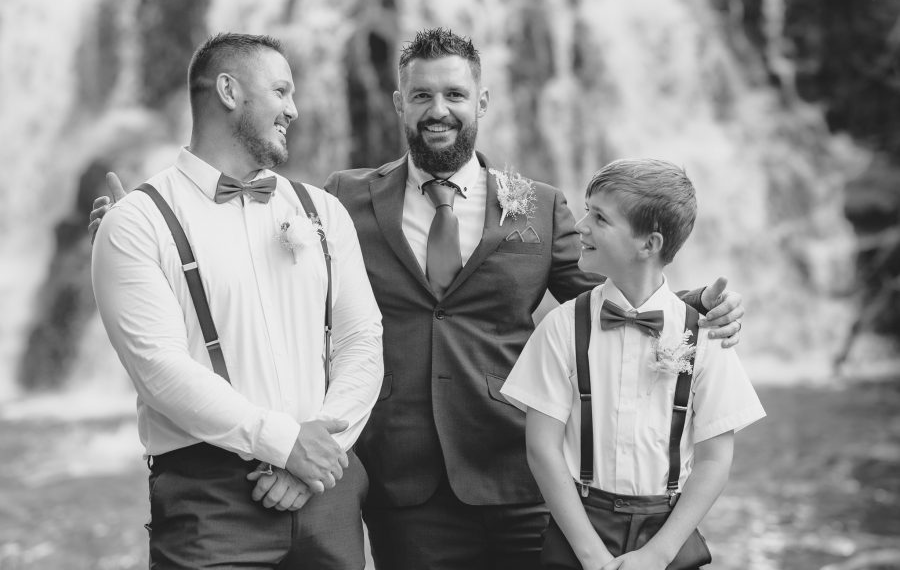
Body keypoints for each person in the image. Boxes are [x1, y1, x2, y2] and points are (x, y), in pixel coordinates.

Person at [90, 28, 745, 570]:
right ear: (399, 103)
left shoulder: (538, 205)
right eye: (423, 94)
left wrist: (693, 309)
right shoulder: (341, 197)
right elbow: (264, 263)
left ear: (482, 101)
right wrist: (142, 227)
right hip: (400, 480)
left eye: (455, 94)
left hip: (520, 473)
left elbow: (607, 301)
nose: (440, 109)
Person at [91, 32, 383, 569]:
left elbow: (362, 339)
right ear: (228, 90)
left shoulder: (322, 211)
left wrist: (314, 454)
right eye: (281, 91)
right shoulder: (136, 222)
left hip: (328, 488)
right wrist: (283, 444)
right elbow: (160, 369)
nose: (293, 109)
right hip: (210, 504)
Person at [501, 158, 765, 570]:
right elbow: (542, 447)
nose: (580, 226)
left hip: (670, 535)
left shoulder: (703, 335)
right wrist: (590, 555)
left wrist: (658, 555)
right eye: (587, 210)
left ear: (650, 244)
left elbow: (714, 460)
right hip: (578, 531)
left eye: (600, 218)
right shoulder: (560, 328)